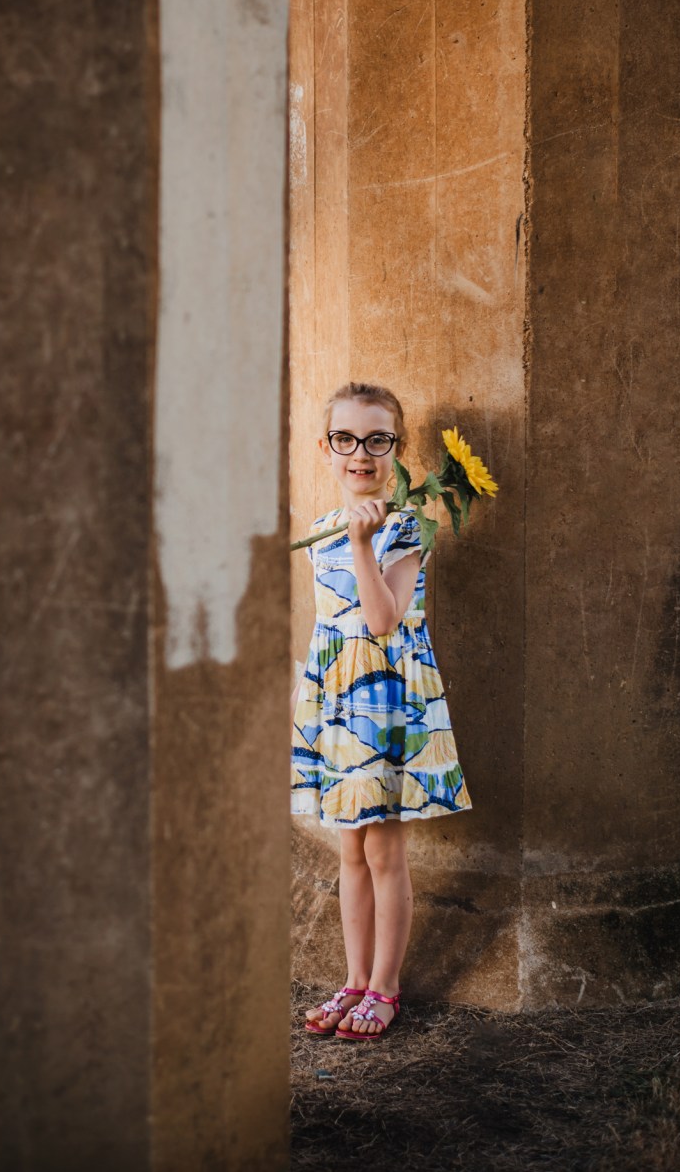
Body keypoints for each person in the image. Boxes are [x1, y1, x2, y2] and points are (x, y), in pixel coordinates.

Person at [291, 381, 471, 1040]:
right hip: (339, 702)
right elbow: (329, 629)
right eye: (345, 439)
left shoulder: (407, 527)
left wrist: (364, 544)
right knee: (350, 851)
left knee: (384, 853)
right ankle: (354, 978)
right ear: (325, 447)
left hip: (387, 704)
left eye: (376, 440)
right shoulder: (319, 531)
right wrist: (309, 703)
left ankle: (385, 988)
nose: (360, 454)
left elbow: (382, 618)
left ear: (397, 449)